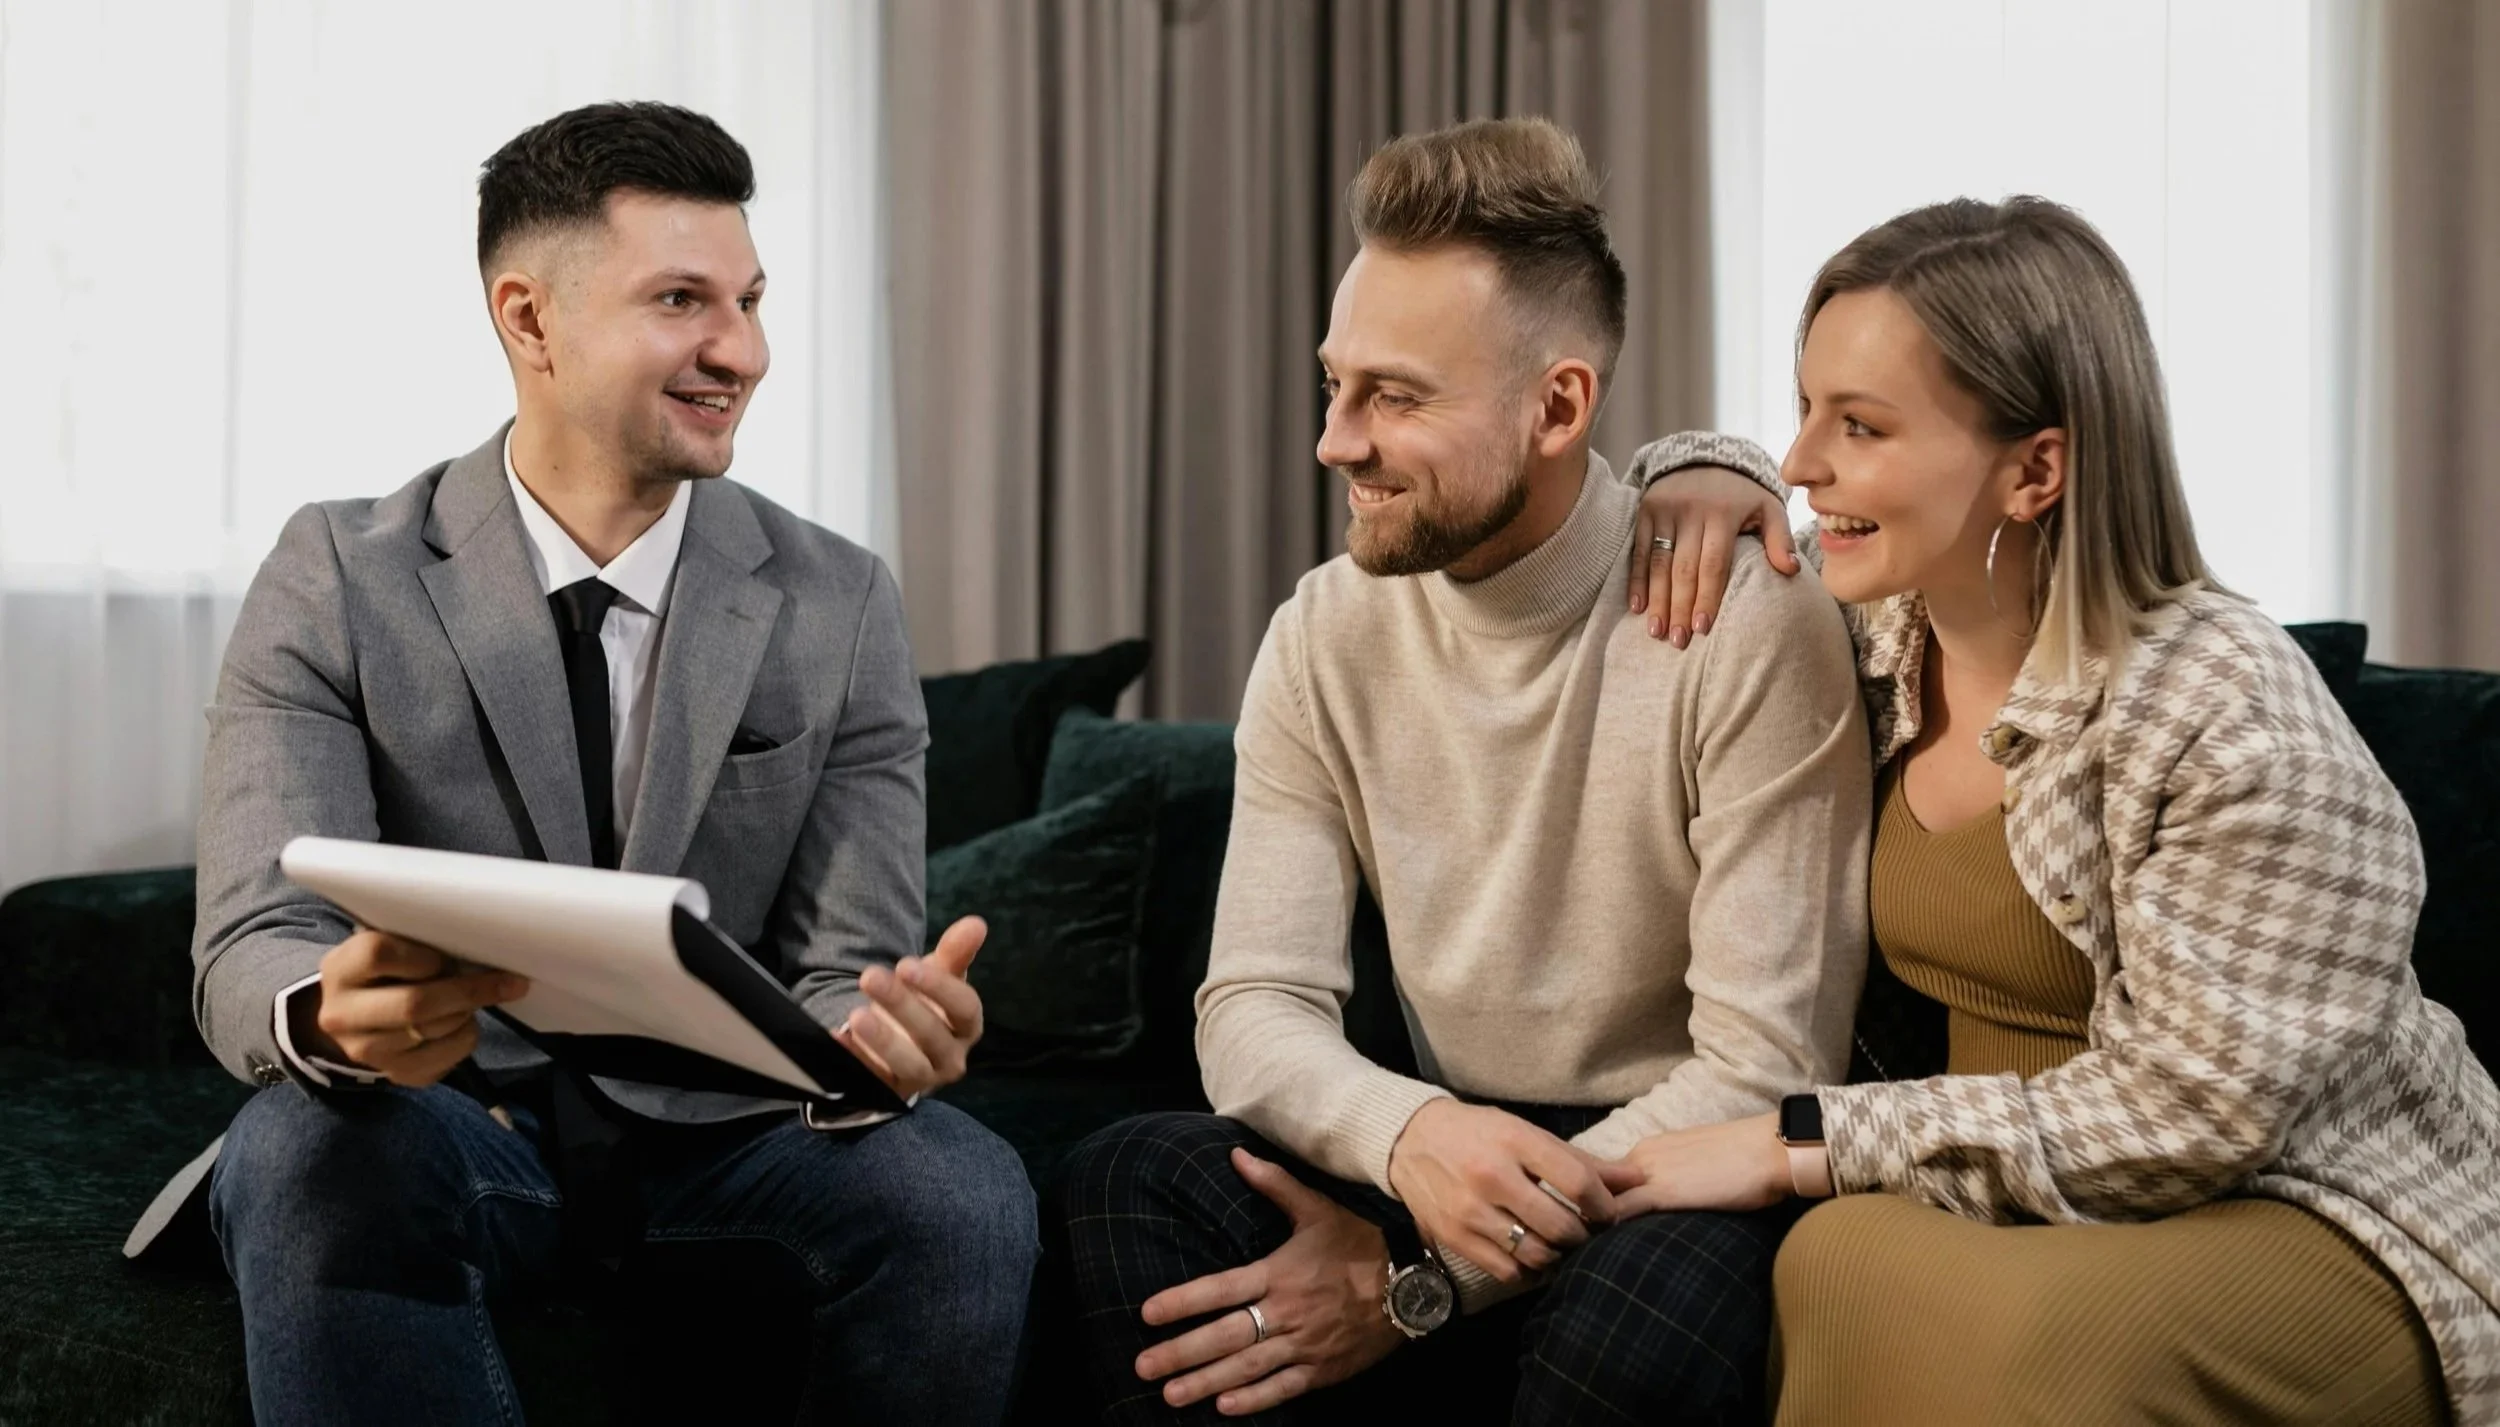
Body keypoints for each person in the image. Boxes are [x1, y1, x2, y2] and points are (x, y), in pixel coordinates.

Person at [125, 102, 1037, 1426]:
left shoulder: (838, 598)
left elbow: (847, 958)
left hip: (736, 1141)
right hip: (440, 1123)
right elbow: (257, 933)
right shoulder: (337, 572)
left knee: (961, 1187)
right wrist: (335, 1012)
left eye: (750, 299)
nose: (741, 350)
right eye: (682, 300)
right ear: (529, 319)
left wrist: (877, 1032)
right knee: (311, 1143)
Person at [1620, 196, 2500, 1424]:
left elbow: (2194, 1114)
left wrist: (1798, 1139)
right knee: (1837, 1261)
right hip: (2003, 1197)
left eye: (1858, 425)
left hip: (2298, 1208)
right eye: (1803, 404)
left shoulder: (2227, 710)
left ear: (2036, 468)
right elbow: (1686, 512)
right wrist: (1696, 468)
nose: (1804, 460)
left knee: (2018, 1337)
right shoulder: (1873, 637)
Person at [1053, 117, 1873, 1424]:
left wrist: (1412, 1280)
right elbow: (1254, 1001)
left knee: (1647, 1319)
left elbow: (1762, 1063)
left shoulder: (1750, 621)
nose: (1334, 440)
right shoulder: (1326, 629)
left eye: (1395, 395)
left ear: (1556, 405)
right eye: (1336, 383)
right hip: (1445, 1139)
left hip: (1669, 1168)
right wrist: (1409, 1138)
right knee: (1123, 1176)